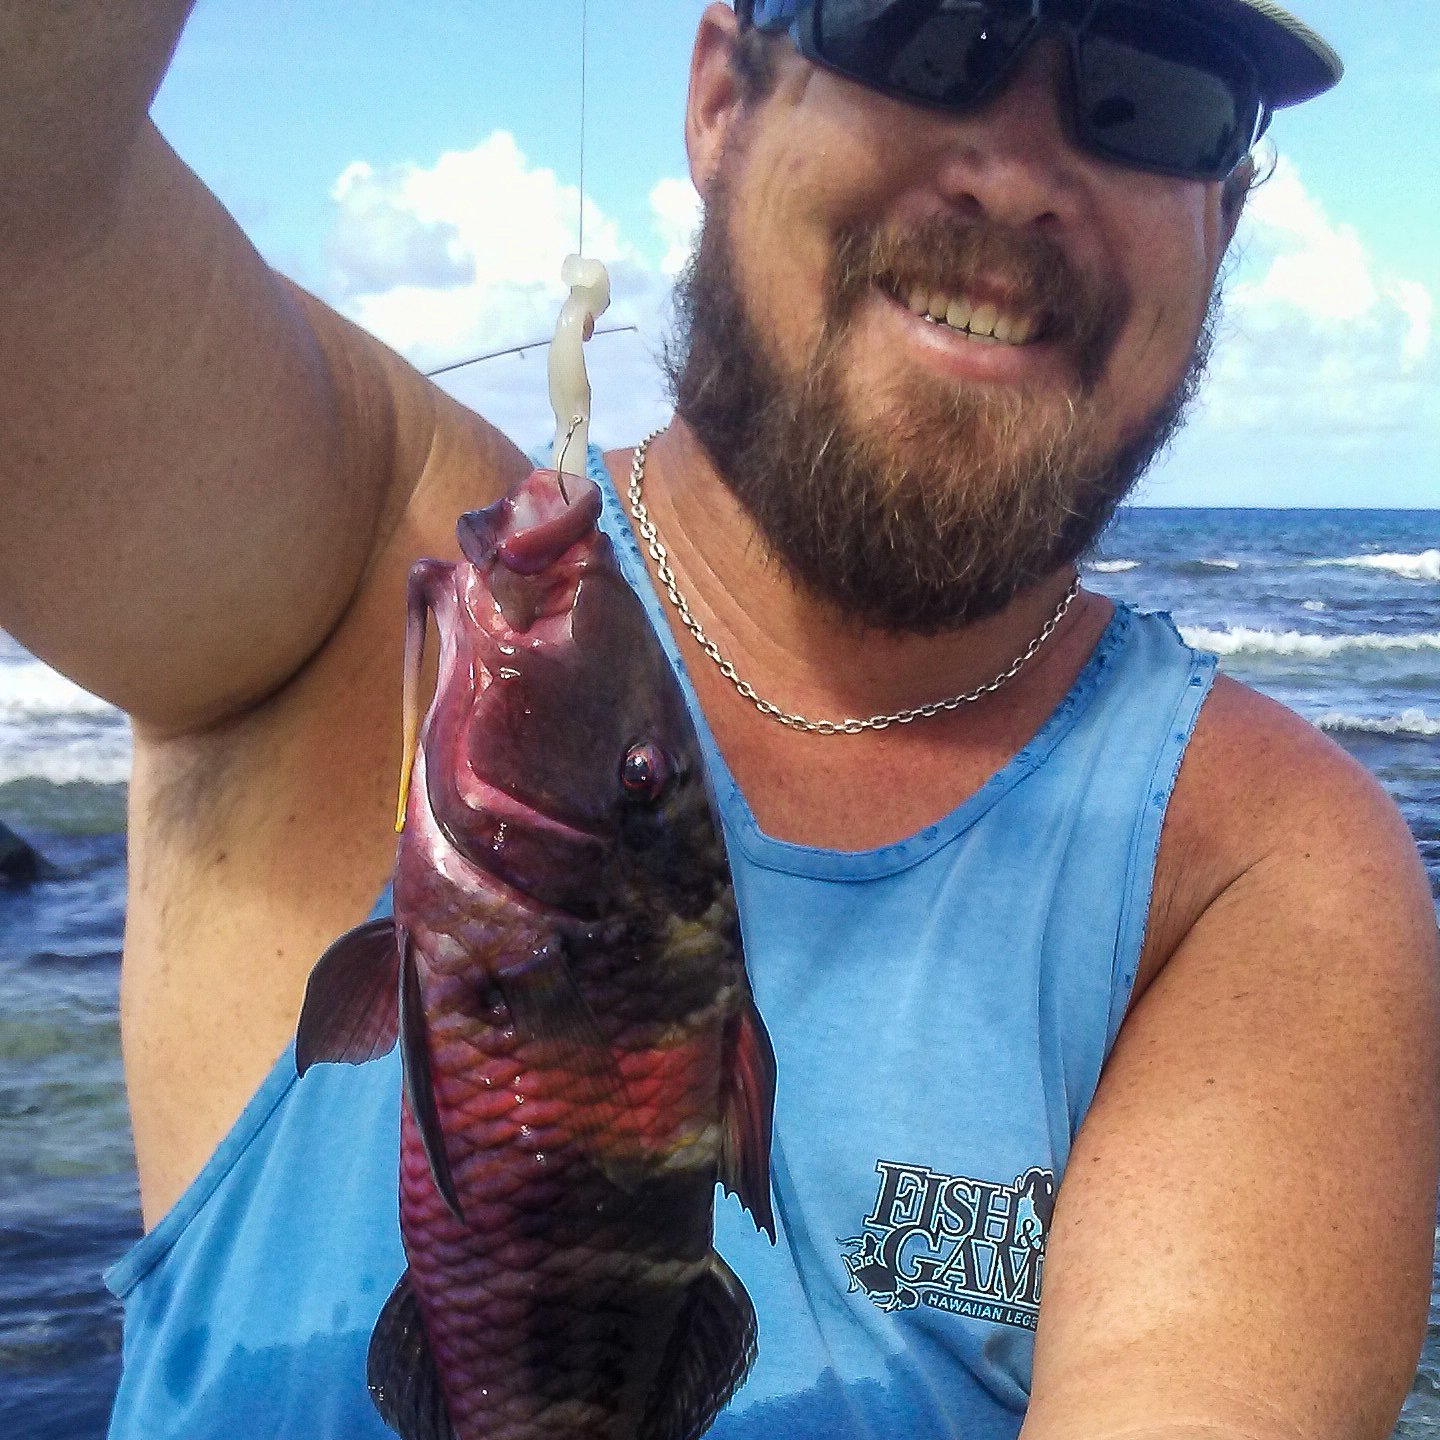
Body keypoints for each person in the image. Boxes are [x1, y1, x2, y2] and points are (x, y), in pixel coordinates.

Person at [2, 2, 1436, 1437]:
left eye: (1151, 90)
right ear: (719, 98)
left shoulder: (1260, 870)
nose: (1014, 174)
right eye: (921, 30)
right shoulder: (355, 552)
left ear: (1221, 221)